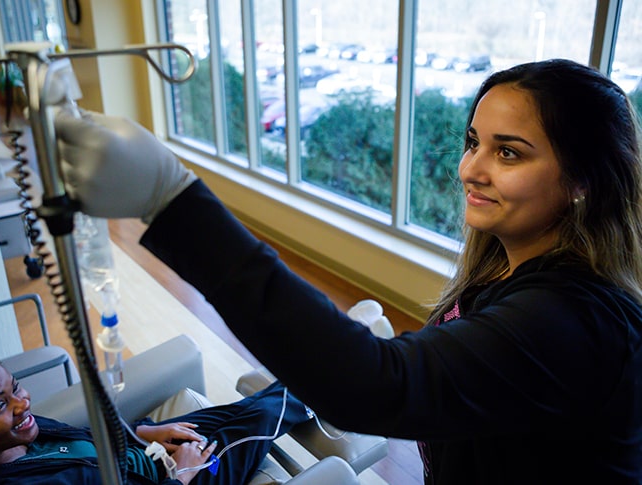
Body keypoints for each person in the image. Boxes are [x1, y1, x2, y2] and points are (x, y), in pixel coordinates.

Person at [54, 58, 642, 483]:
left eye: (508, 152)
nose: (472, 169)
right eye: (473, 143)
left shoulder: (573, 319)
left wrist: (173, 201)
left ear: (583, 182)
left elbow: (378, 387)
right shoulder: (507, 274)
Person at [0, 330, 314, 485]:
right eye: (1, 404)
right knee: (261, 416)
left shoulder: (23, 436)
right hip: (179, 476)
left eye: (16, 387)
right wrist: (183, 473)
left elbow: (87, 441)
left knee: (250, 407)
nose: (23, 403)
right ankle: (337, 373)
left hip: (145, 453)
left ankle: (326, 365)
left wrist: (144, 434)